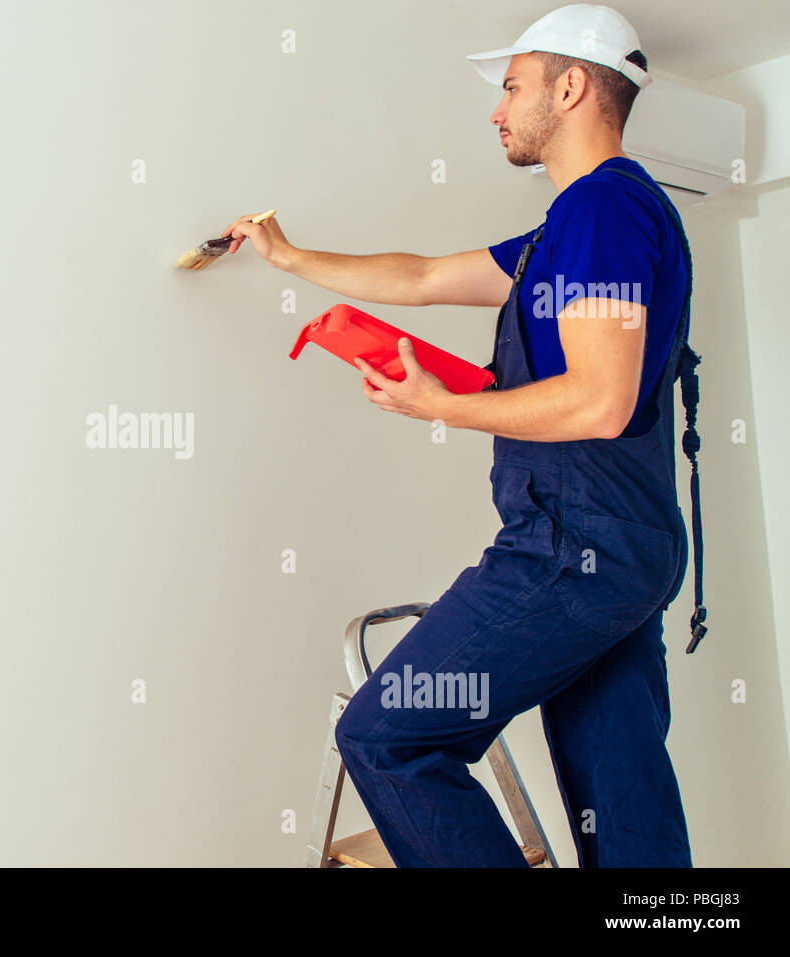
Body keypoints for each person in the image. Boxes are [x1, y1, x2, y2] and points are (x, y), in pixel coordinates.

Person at [223, 3, 706, 867]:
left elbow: (599, 400)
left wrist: (437, 405)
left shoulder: (602, 212)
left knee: (384, 734)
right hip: (621, 550)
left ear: (570, 88)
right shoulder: (570, 229)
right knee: (623, 798)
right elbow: (420, 276)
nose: (496, 110)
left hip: (570, 546)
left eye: (513, 87)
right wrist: (291, 258)